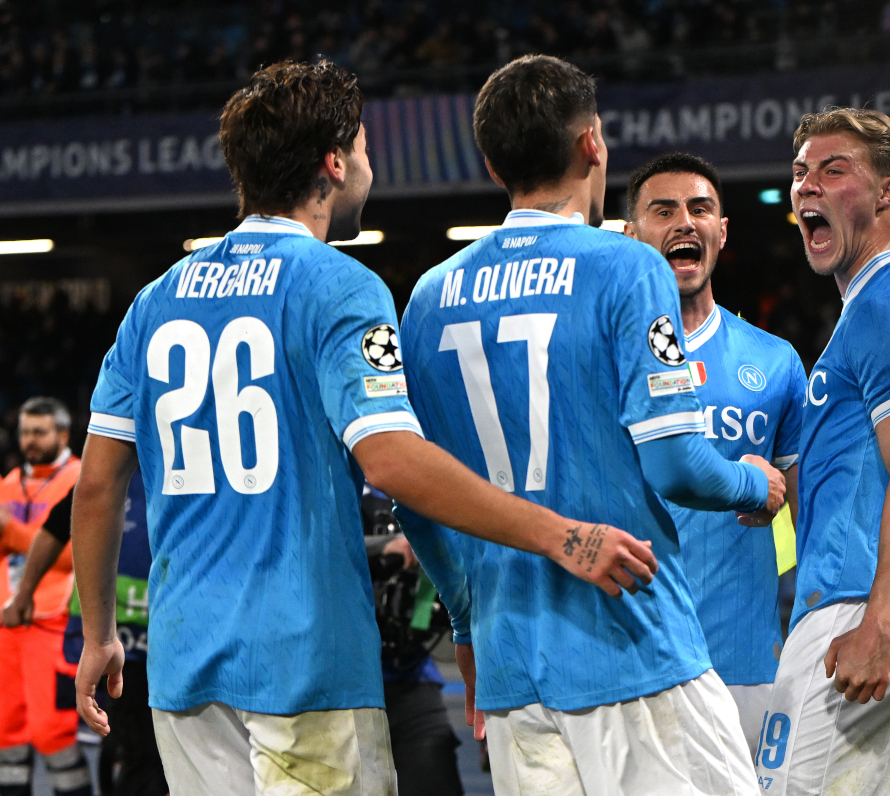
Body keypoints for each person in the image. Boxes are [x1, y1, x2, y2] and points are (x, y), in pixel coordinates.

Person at [70, 59, 659, 796]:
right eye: (366, 149)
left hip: (183, 665)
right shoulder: (338, 285)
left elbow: (97, 485)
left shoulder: (154, 301)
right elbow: (391, 462)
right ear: (334, 162)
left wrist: (98, 634)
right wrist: (560, 534)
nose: (371, 170)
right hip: (304, 662)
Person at [397, 54, 785, 796]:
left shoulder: (429, 297)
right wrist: (752, 482)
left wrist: (467, 627)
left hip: (512, 665)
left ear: (492, 164)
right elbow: (676, 465)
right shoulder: (627, 268)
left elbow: (420, 498)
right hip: (634, 643)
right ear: (593, 143)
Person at [754, 107, 890, 795]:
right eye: (800, 172)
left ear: (887, 191)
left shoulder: (888, 306)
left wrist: (879, 622)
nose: (807, 186)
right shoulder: (874, 308)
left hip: (860, 616)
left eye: (833, 170)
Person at [622, 151, 807, 754]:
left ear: (721, 232)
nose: (684, 221)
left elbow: (807, 509)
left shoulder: (775, 361)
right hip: (632, 658)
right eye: (663, 210)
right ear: (631, 233)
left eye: (699, 209)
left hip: (745, 659)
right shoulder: (603, 360)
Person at [9, 465, 168, 796]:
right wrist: (24, 594)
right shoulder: (109, 474)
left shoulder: (119, 473)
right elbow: (56, 528)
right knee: (134, 745)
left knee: (140, 745)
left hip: (157, 636)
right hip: (123, 640)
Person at [0, 397, 92, 796]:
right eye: (25, 432)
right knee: (6, 731)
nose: (30, 441)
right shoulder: (8, 483)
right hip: (8, 623)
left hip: (56, 623)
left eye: (39, 432)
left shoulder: (81, 479)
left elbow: (73, 557)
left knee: (52, 731)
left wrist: (10, 532)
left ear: (63, 434)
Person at [361, 485, 464, 796]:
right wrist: (384, 547)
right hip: (342, 682)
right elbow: (313, 548)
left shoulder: (415, 483)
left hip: (410, 672)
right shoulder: (325, 479)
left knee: (433, 768)